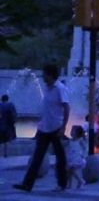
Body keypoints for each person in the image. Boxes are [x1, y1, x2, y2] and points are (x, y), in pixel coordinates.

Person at [15, 62, 70, 193]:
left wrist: (63, 127)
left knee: (60, 157)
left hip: (56, 128)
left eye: (45, 75)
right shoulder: (47, 88)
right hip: (44, 128)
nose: (43, 77)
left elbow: (66, 107)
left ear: (50, 75)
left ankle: (62, 184)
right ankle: (27, 184)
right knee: (37, 157)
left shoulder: (60, 88)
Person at [65, 124, 87, 189]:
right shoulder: (70, 140)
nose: (71, 131)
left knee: (72, 170)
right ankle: (70, 185)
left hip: (76, 158)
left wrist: (83, 155)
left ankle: (81, 181)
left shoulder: (79, 140)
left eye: (73, 130)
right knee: (69, 172)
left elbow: (85, 148)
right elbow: (67, 148)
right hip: (70, 158)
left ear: (77, 133)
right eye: (71, 130)